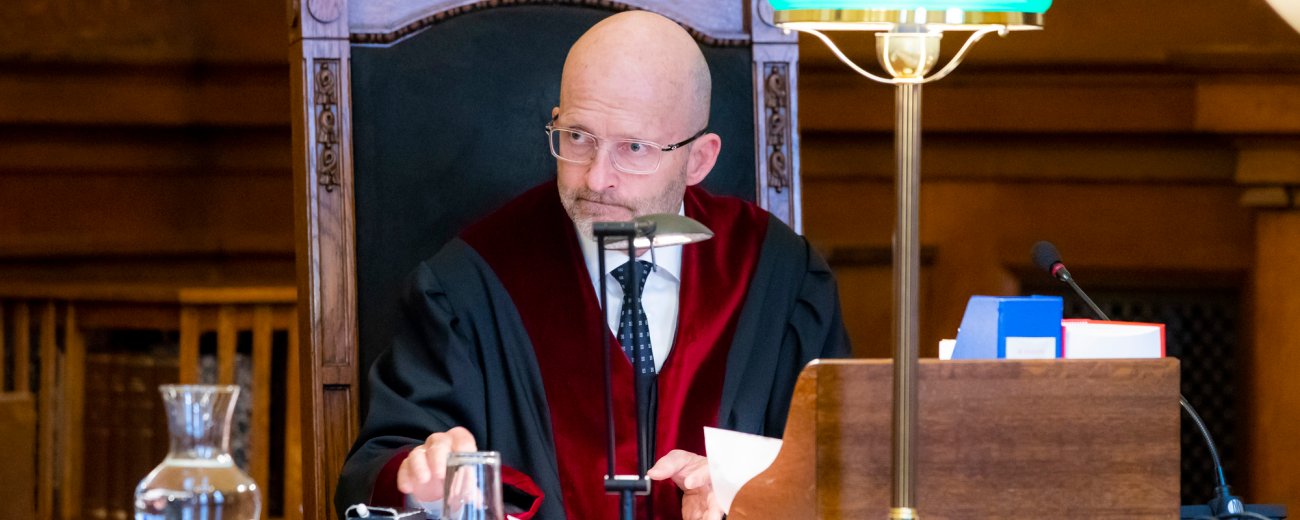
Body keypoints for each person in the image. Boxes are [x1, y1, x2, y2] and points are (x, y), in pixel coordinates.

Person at [335, 10, 850, 520]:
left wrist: (747, 488)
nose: (597, 178)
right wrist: (425, 483)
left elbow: (842, 466)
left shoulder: (777, 276)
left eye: (634, 147)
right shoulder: (469, 286)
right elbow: (379, 466)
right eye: (578, 137)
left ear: (699, 158)